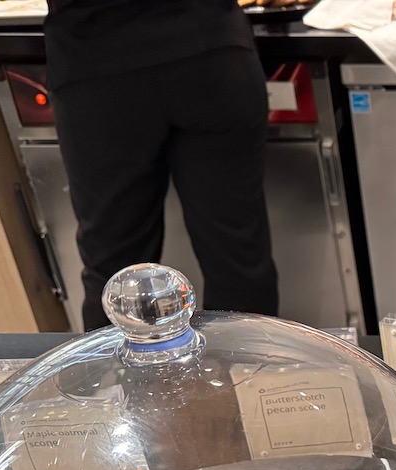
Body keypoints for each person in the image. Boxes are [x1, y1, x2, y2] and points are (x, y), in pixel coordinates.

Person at [44, 0, 279, 330]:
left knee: (115, 272)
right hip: (211, 50)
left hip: (97, 64)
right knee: (238, 259)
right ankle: (250, 379)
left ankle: (125, 381)